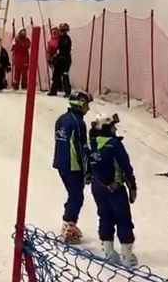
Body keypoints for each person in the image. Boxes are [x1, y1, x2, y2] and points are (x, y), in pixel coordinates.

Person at [88, 112, 138, 266]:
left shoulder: (93, 143)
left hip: (97, 187)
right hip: (114, 189)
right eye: (112, 126)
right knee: (123, 219)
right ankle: (127, 256)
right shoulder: (115, 145)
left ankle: (109, 252)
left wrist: (88, 176)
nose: (115, 129)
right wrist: (132, 186)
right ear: (105, 127)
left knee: (105, 217)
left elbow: (88, 163)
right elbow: (125, 167)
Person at [53, 90, 92, 245]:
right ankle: (69, 226)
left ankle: (68, 222)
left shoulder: (61, 119)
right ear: (81, 104)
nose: (88, 109)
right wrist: (87, 169)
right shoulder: (78, 123)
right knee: (77, 196)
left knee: (73, 194)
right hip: (73, 166)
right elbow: (81, 147)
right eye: (87, 104)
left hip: (60, 163)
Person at [48, 23, 72, 97]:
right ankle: (53, 91)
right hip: (59, 60)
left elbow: (62, 49)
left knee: (64, 75)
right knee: (55, 75)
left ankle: (67, 91)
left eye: (63, 31)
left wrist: (56, 53)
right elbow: (56, 48)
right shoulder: (60, 38)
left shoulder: (66, 39)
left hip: (65, 59)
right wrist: (53, 54)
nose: (61, 32)